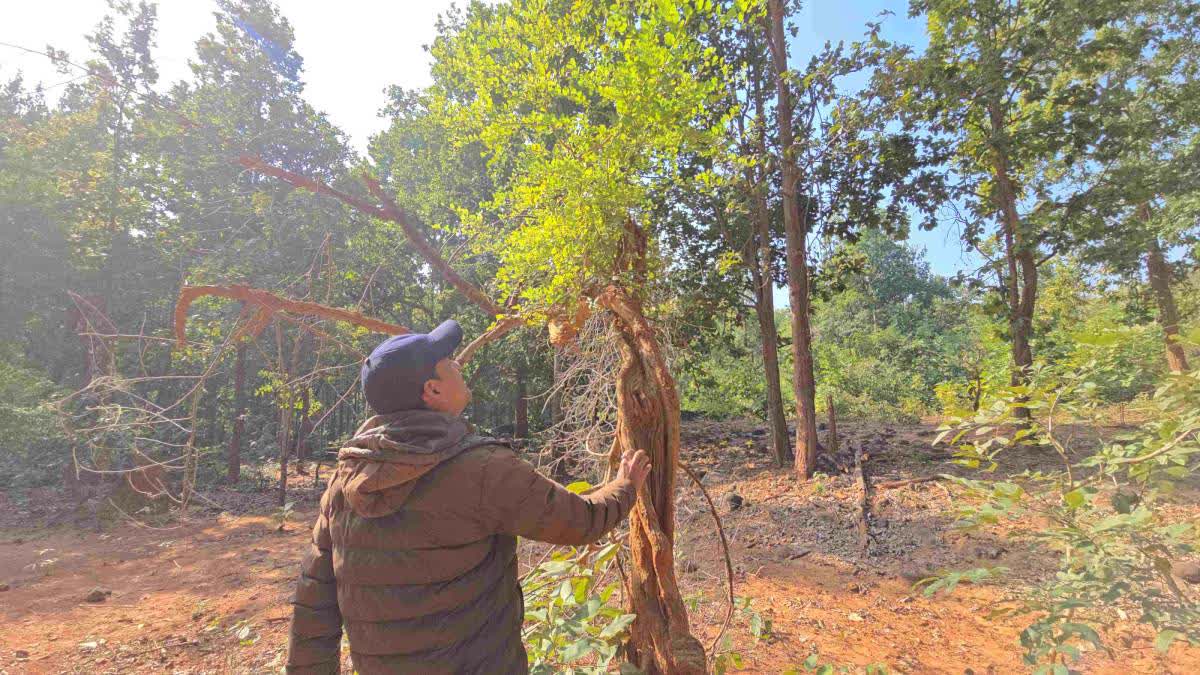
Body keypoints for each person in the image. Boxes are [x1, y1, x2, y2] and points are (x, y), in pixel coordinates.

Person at [285, 319, 651, 674]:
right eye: (449, 362)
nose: (458, 365)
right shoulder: (483, 469)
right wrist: (625, 485)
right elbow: (578, 523)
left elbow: (314, 602)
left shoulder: (346, 478)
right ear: (433, 390)